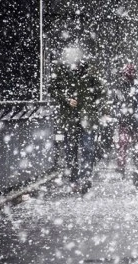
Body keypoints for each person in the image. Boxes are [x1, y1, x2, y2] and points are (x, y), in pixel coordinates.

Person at [49, 46, 107, 194]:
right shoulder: (61, 72)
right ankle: (75, 179)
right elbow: (52, 89)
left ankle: (85, 179)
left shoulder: (90, 73)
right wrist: (66, 99)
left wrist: (93, 107)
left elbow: (102, 93)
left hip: (86, 118)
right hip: (70, 118)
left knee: (87, 149)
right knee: (71, 151)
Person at [113, 63, 138, 178]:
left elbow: (118, 103)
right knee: (127, 144)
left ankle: (125, 166)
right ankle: (131, 166)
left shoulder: (130, 86)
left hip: (129, 119)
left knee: (125, 144)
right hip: (129, 119)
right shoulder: (134, 85)